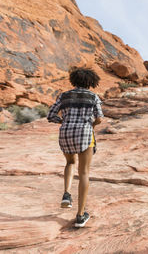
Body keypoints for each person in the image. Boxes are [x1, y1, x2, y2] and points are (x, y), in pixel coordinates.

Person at [47, 67, 103, 228]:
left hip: (65, 133)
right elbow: (99, 118)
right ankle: (80, 215)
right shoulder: (93, 96)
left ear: (73, 80)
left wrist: (64, 122)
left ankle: (66, 194)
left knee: (70, 163)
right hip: (85, 132)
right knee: (84, 172)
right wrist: (90, 124)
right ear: (91, 82)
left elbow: (51, 115)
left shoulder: (64, 95)